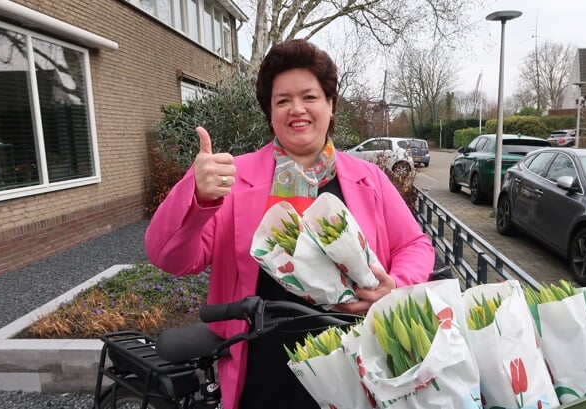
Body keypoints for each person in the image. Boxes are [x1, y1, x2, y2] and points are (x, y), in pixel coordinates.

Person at [145, 38, 434, 409]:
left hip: (358, 364)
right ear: (270, 112)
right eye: (282, 100)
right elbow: (168, 256)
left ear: (330, 106)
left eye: (310, 97)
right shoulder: (234, 179)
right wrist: (196, 195)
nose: (297, 109)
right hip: (263, 369)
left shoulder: (369, 179)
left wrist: (396, 285)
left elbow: (415, 245)